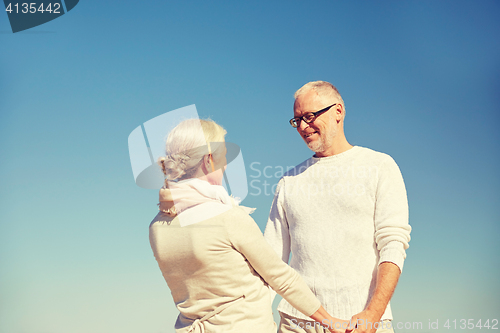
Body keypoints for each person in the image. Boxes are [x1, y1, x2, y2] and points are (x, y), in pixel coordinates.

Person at [149, 119, 347, 333]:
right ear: (208, 160)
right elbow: (282, 278)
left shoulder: (157, 227)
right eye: (223, 156)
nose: (225, 165)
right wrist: (330, 321)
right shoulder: (227, 218)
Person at [264, 81, 412, 333]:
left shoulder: (379, 166)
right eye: (296, 120)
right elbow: (271, 259)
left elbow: (393, 244)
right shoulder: (289, 181)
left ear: (338, 112)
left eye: (309, 116)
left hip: (364, 323)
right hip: (296, 324)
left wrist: (373, 314)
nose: (302, 126)